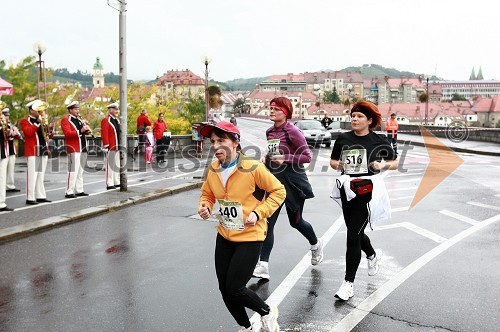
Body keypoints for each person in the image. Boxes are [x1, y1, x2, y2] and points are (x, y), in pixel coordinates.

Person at [197, 121, 285, 332]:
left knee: (234, 288)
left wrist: (258, 212)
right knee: (224, 289)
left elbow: (279, 191)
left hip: (250, 236)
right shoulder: (213, 169)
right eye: (213, 142)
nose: (216, 146)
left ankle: (266, 312)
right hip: (225, 234)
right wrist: (205, 207)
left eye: (222, 141)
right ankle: (246, 327)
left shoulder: (252, 167)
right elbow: (207, 194)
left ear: (235, 142)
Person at [329, 101, 398, 301]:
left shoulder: (379, 140)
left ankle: (348, 284)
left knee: (351, 235)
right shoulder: (343, 138)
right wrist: (340, 164)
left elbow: (395, 162)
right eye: (353, 116)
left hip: (367, 191)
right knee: (354, 231)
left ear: (369, 120)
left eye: (359, 116)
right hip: (347, 188)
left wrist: (382, 164)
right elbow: (333, 162)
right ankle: (371, 254)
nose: (355, 119)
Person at [253, 96, 323, 281]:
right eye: (270, 107)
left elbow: (307, 157)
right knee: (268, 223)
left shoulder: (293, 131)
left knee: (296, 222)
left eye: (276, 108)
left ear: (285, 112)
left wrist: (286, 159)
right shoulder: (269, 132)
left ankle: (316, 245)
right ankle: (263, 266)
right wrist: (265, 157)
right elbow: (274, 151)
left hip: (293, 183)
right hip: (275, 183)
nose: (271, 111)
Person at [20, 100, 53, 205]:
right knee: (32, 175)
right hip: (33, 150)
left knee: (40, 174)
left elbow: (48, 136)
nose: (40, 111)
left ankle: (41, 196)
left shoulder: (42, 120)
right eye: (37, 109)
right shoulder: (25, 121)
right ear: (31, 110)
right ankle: (30, 197)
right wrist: (38, 122)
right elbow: (28, 132)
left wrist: (50, 130)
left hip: (43, 148)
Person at [61, 101, 91, 198]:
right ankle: (69, 191)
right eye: (75, 109)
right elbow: (68, 134)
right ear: (70, 110)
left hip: (82, 147)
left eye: (78, 109)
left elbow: (84, 133)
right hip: (73, 148)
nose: (77, 111)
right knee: (72, 171)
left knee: (80, 171)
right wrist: (80, 130)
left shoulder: (79, 119)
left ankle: (79, 190)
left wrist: (86, 129)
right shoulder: (66, 120)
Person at [101, 102, 121, 190]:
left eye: (117, 109)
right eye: (115, 109)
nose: (117, 111)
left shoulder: (117, 120)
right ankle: (110, 182)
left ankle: (116, 181)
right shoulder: (106, 120)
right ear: (110, 110)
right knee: (110, 165)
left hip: (117, 145)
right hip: (111, 145)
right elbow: (104, 133)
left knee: (117, 164)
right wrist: (106, 145)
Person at [3, 108, 22, 193]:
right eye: (5, 115)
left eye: (7, 116)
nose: (7, 117)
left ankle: (10, 185)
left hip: (11, 149)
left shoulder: (10, 125)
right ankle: (3, 185)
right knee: (3, 169)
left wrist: (16, 133)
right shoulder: (2, 125)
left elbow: (17, 136)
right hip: (4, 149)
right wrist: (9, 134)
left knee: (11, 168)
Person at [0, 105, 14, 211]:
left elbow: (5, 137)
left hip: (3, 151)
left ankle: (1, 202)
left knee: (2, 177)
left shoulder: (4, 123)